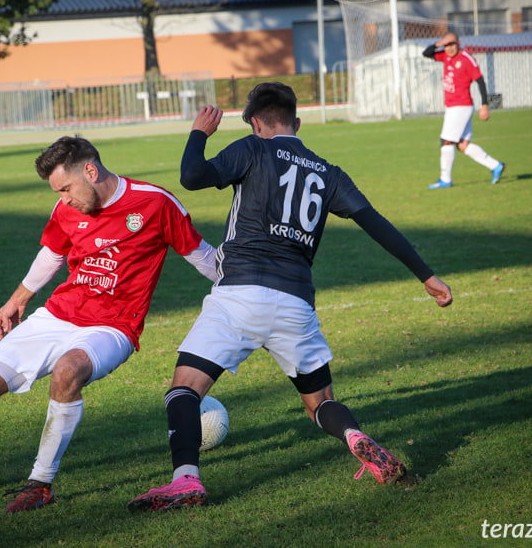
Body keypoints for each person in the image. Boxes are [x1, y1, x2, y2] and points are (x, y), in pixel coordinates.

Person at [128, 82, 453, 512]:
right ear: (297, 123)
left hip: (239, 294)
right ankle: (354, 436)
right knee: (320, 404)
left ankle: (185, 480)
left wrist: (199, 134)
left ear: (256, 122)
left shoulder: (252, 149)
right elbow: (376, 223)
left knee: (184, 389)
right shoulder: (328, 172)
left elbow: (191, 177)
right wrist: (426, 275)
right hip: (296, 302)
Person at [0, 135, 217, 513]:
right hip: (57, 316)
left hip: (112, 327)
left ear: (90, 170)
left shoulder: (154, 203)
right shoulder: (66, 208)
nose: (64, 199)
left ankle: (40, 484)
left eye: (66, 188)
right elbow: (52, 254)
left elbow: (202, 256)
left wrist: (245, 286)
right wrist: (16, 299)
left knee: (67, 371)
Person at [423, 32, 505, 189]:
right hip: (453, 107)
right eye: (447, 45)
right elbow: (426, 53)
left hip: (460, 106)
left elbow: (480, 81)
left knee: (446, 141)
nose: (449, 48)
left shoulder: (467, 59)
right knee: (462, 145)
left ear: (459, 43)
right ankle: (495, 166)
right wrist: (440, 43)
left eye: (452, 44)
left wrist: (484, 105)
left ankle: (445, 179)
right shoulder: (446, 56)